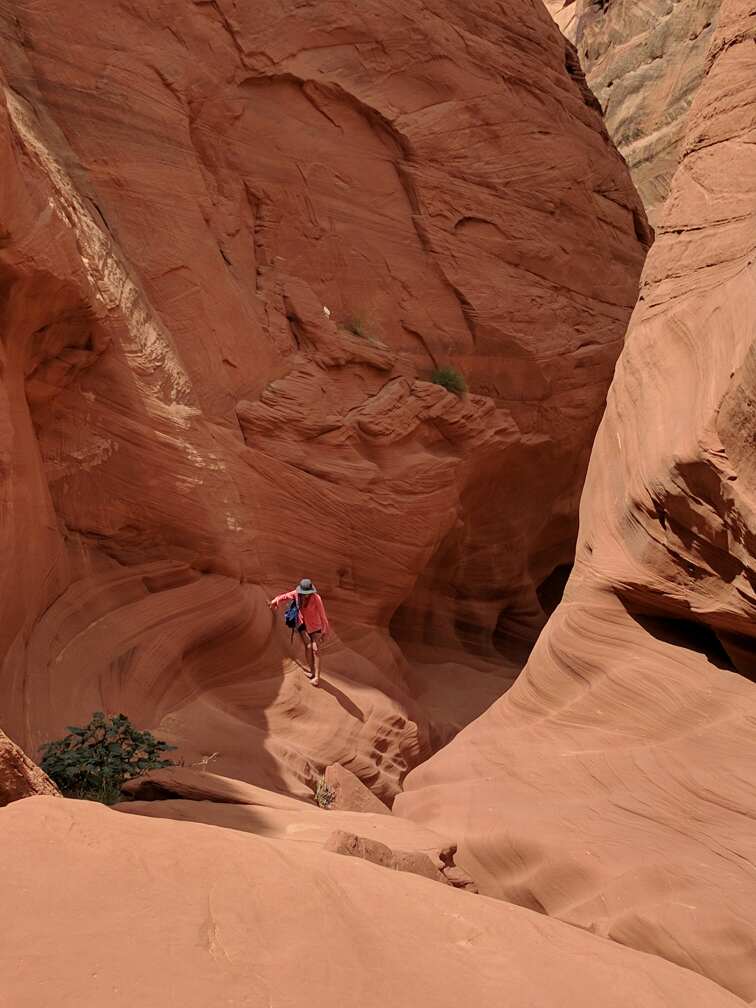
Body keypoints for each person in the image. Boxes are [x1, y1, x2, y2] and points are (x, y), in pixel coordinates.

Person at [268, 578, 330, 686]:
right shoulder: (296, 594)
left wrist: (325, 632)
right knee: (309, 646)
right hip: (302, 623)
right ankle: (312, 671)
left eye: (308, 593)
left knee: (316, 649)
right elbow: (284, 596)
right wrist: (274, 601)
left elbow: (323, 616)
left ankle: (316, 677)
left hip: (315, 626)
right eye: (304, 593)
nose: (306, 595)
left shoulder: (316, 598)